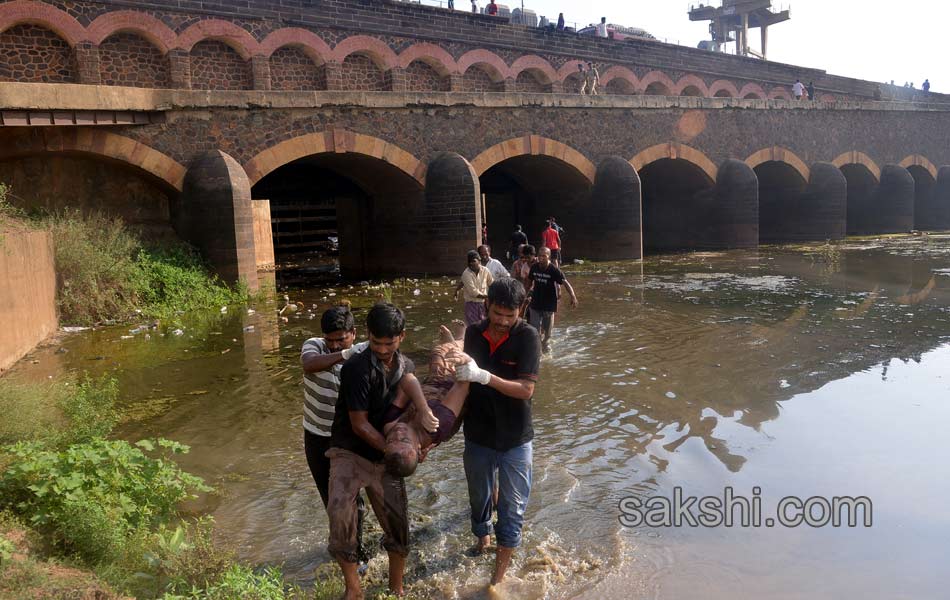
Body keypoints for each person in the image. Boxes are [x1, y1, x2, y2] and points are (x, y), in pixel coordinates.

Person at [327, 303, 433, 599]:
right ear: (367, 337)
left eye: (390, 343)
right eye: (376, 343)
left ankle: (396, 587)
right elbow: (359, 424)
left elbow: (411, 415)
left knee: (397, 521)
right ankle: (353, 589)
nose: (383, 349)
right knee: (339, 511)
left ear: (402, 337)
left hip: (384, 452)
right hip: (349, 448)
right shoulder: (355, 369)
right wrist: (393, 452)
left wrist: (416, 445)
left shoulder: (407, 368)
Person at [456, 278, 542, 586]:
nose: (503, 321)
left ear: (522, 309)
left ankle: (497, 580)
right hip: (478, 433)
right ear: (486, 307)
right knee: (479, 495)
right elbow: (462, 385)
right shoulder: (474, 335)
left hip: (515, 438)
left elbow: (526, 390)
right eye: (497, 314)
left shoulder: (528, 337)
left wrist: (485, 377)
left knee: (512, 506)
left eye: (510, 315)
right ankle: (482, 537)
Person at [301, 304, 371, 569]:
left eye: (340, 339)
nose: (332, 345)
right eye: (329, 340)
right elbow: (309, 365)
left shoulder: (363, 357)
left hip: (347, 439)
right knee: (330, 501)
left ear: (353, 333)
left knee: (353, 499)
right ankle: (344, 545)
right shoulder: (314, 346)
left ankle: (357, 551)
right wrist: (344, 352)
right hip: (316, 435)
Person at [526, 247, 578, 353]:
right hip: (535, 303)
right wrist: (524, 295)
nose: (540, 258)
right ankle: (537, 351)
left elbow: (565, 283)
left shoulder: (553, 270)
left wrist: (573, 296)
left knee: (547, 334)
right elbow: (529, 283)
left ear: (548, 256)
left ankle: (545, 346)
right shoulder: (534, 267)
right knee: (535, 330)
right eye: (539, 255)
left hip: (549, 305)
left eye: (543, 256)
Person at [455, 250, 493, 326]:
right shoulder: (466, 273)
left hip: (483, 304)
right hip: (471, 304)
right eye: (469, 261)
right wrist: (489, 296)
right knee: (473, 327)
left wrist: (497, 293)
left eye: (473, 261)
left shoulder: (485, 270)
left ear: (479, 260)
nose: (471, 263)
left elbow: (492, 283)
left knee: (484, 326)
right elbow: (473, 293)